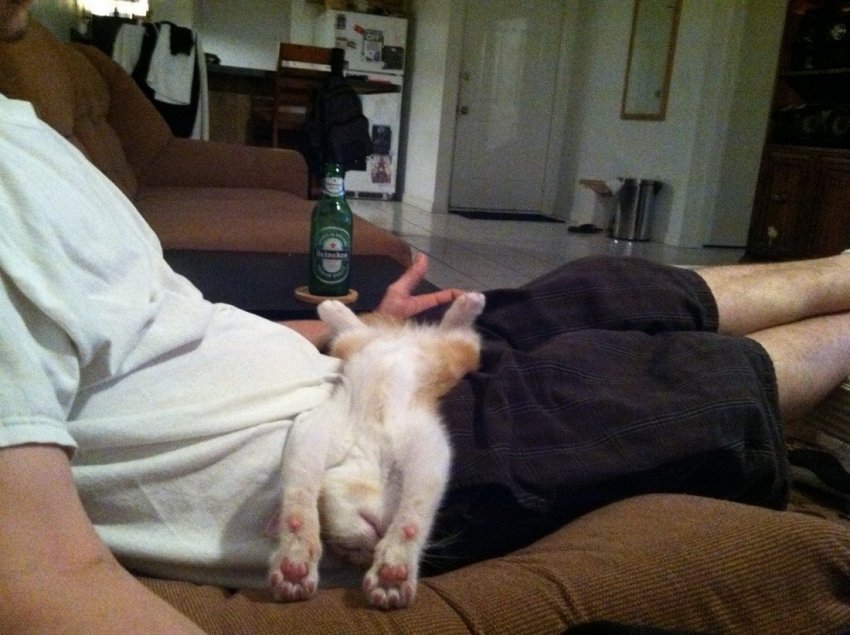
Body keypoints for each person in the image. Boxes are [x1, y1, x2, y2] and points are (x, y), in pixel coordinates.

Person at [2, 2, 850, 631]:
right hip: (347, 456)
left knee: (596, 289)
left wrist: (357, 327)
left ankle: (841, 269)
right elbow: (46, 578)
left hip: (342, 366)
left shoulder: (22, 132)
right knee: (651, 382)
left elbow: (158, 328)